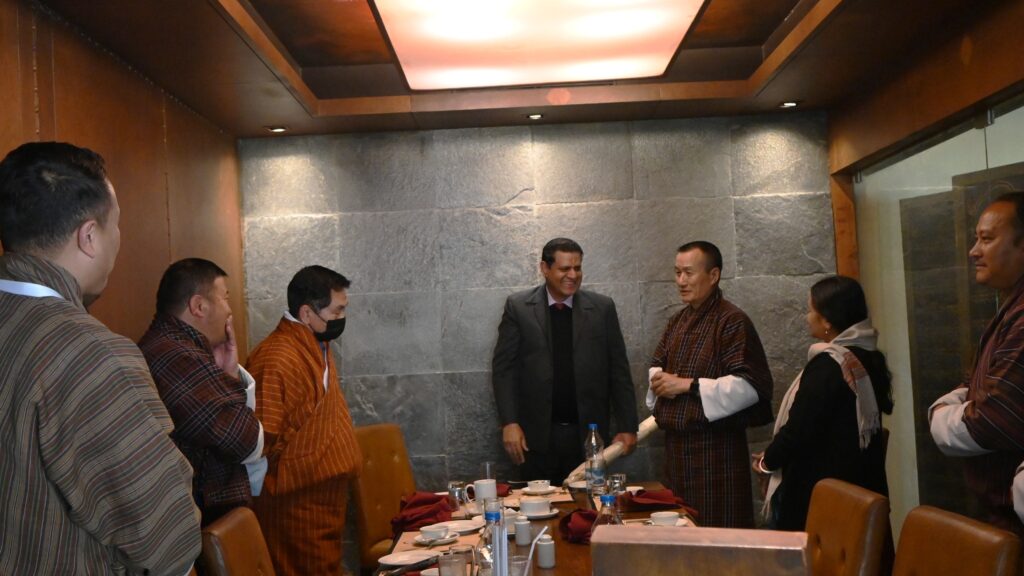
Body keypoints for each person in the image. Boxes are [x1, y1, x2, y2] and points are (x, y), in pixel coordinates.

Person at [0, 142, 200, 573]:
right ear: (89, 236)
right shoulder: (91, 354)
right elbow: (169, 538)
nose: (119, 238)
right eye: (117, 224)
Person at [245, 265, 362, 576]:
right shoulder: (276, 356)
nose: (341, 318)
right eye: (337, 311)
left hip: (323, 499)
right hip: (294, 502)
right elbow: (262, 437)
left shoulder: (316, 344)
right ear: (307, 313)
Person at [648, 241, 774, 528]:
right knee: (681, 531)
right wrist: (661, 380)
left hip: (717, 453)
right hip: (676, 453)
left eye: (689, 273)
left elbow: (751, 386)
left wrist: (688, 385)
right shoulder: (677, 321)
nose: (681, 281)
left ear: (714, 275)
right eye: (677, 273)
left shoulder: (732, 321)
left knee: (718, 532)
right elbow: (657, 365)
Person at [492, 237, 638, 485]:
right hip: (534, 438)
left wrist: (628, 425)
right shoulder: (519, 307)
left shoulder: (601, 308)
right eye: (564, 269)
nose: (573, 275)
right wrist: (509, 422)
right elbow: (504, 370)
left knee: (589, 503)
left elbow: (618, 370)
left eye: (577, 268)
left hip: (589, 438)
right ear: (545, 268)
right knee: (537, 504)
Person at [753, 276, 893, 530]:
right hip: (860, 485)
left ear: (827, 320)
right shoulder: (867, 356)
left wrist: (766, 463)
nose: (806, 317)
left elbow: (798, 430)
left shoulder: (829, 366)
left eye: (810, 310)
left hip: (824, 496)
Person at [138, 258, 266, 525]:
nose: (229, 310)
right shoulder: (176, 357)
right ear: (198, 306)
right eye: (225, 298)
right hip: (197, 522)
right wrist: (229, 380)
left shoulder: (177, 347)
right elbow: (246, 442)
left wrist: (228, 374)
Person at [930, 192, 1024, 535]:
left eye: (986, 239)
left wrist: (940, 415)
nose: (973, 251)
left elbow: (991, 421)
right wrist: (964, 398)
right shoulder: (1011, 309)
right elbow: (973, 383)